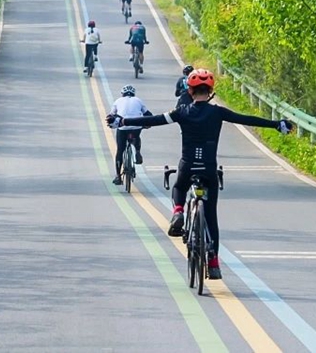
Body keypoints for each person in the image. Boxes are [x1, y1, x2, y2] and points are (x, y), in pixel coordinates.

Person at [110, 69, 293, 279]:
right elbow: (247, 119)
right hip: (208, 168)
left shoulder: (182, 111)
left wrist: (122, 122)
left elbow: (155, 120)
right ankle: (214, 262)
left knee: (179, 186)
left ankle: (178, 211)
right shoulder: (218, 113)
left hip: (188, 166)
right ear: (211, 90)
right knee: (211, 217)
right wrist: (276, 124)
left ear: (190, 90)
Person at [109, 84, 152, 184]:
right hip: (136, 126)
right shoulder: (138, 100)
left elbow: (111, 115)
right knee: (136, 136)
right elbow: (148, 114)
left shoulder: (117, 101)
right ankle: (137, 151)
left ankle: (118, 176)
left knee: (120, 150)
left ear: (122, 94)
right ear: (134, 94)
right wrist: (147, 124)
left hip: (122, 127)